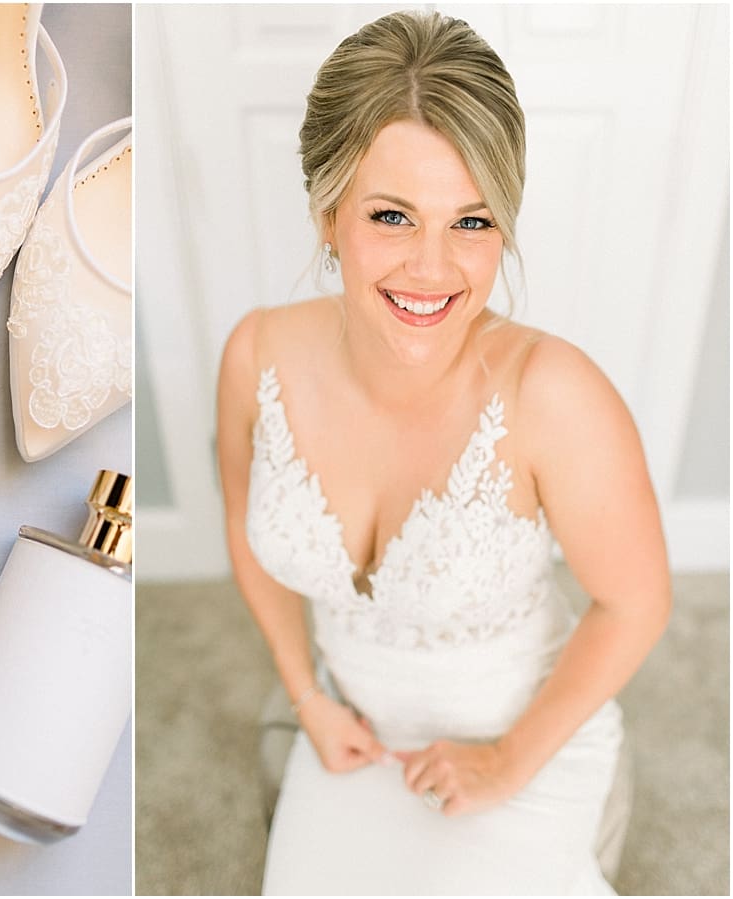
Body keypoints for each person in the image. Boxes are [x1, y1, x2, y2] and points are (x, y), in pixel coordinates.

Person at [216, 10, 671, 895]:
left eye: (471, 222)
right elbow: (247, 530)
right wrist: (305, 693)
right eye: (393, 216)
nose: (434, 270)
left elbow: (637, 601)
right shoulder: (257, 354)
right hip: (354, 734)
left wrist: (504, 760)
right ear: (327, 213)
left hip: (525, 740)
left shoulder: (554, 394)